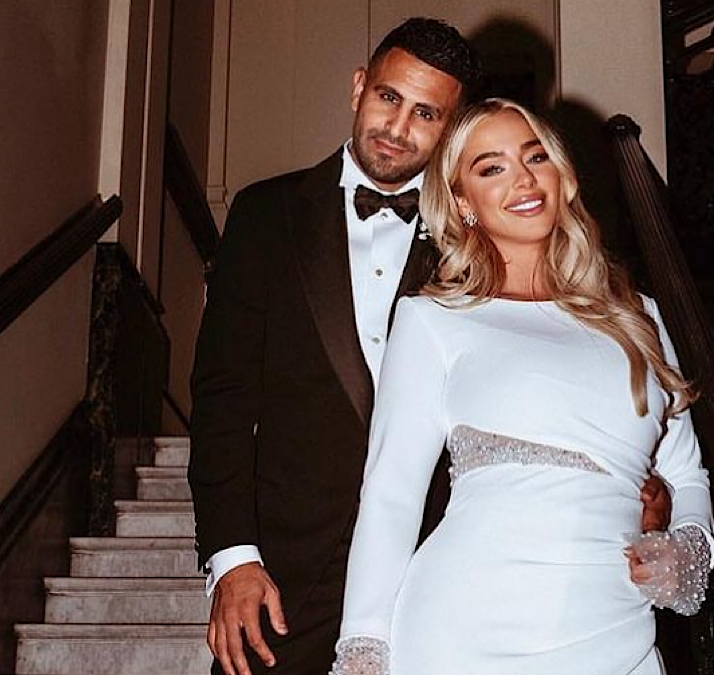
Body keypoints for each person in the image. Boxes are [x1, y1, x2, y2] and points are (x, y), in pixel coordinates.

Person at [188, 20, 671, 675]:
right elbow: (222, 399)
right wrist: (233, 558)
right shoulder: (264, 214)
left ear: (452, 128)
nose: (397, 126)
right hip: (285, 577)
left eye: (426, 113)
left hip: (439, 576)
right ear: (359, 87)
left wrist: (640, 484)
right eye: (388, 98)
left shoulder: (485, 235)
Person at [329, 99, 714, 675]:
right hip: (461, 634)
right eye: (492, 167)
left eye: (535, 158)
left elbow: (686, 474)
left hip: (614, 634)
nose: (524, 179)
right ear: (463, 202)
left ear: (561, 174)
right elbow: (391, 496)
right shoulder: (433, 320)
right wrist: (363, 647)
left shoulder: (640, 319)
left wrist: (690, 549)